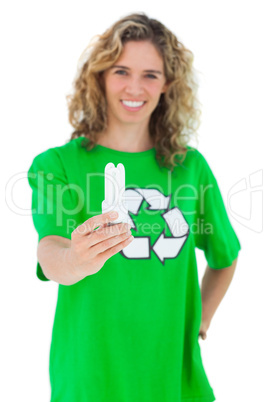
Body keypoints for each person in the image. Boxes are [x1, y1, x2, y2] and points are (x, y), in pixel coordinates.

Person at [27, 12, 241, 402]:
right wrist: (76, 259)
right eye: (121, 71)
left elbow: (224, 256)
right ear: (100, 77)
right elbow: (50, 252)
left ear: (167, 85)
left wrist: (202, 318)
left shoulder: (190, 168)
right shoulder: (56, 166)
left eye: (150, 75)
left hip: (174, 379)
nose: (134, 87)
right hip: (90, 377)